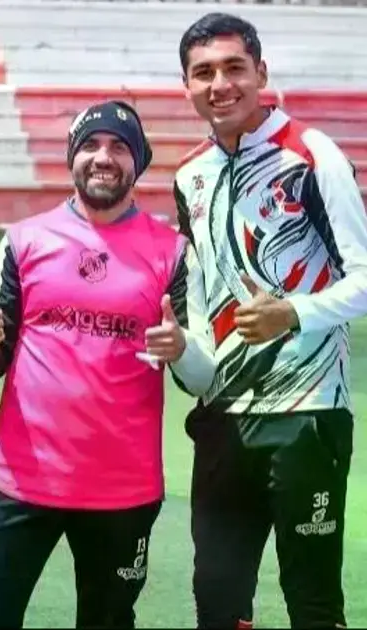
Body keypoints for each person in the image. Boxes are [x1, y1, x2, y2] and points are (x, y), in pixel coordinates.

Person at [0, 100, 216, 628]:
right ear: (72, 158)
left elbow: (201, 378)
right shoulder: (25, 240)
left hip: (122, 493)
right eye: (91, 146)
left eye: (119, 147)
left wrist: (182, 348)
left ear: (138, 163)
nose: (104, 157)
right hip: (19, 482)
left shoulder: (172, 252)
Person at [175, 13, 367, 629]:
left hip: (308, 416)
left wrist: (294, 313)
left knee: (312, 600)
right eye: (203, 72)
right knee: (217, 599)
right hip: (225, 419)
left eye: (234, 67)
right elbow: (202, 297)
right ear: (187, 85)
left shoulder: (312, 154)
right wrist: (188, 355)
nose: (220, 84)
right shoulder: (189, 175)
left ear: (261, 73)